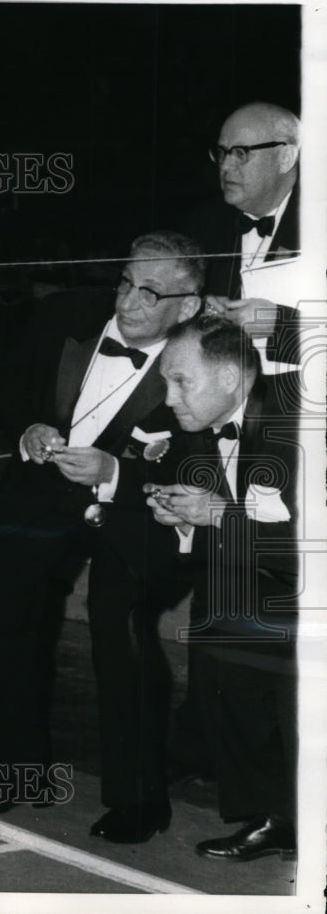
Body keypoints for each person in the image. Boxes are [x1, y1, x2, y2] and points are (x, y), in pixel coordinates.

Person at [0, 231, 202, 845]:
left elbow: (199, 457)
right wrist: (29, 428)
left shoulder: (204, 357)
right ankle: (17, 772)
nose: (130, 301)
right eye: (126, 282)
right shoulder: (63, 313)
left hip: (135, 510)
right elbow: (4, 387)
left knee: (119, 634)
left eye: (151, 292)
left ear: (190, 305)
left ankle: (138, 800)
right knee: (4, 616)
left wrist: (116, 472)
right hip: (39, 495)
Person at [146, 315, 299, 861]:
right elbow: (223, 521)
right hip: (246, 585)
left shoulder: (301, 424)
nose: (169, 399)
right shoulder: (198, 431)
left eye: (181, 381)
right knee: (226, 683)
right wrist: (183, 516)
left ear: (232, 377)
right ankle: (273, 817)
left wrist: (218, 515)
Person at [184, 102, 301, 365]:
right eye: (222, 152)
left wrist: (280, 326)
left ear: (285, 158)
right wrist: (204, 311)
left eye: (240, 153)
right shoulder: (204, 222)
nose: (225, 166)